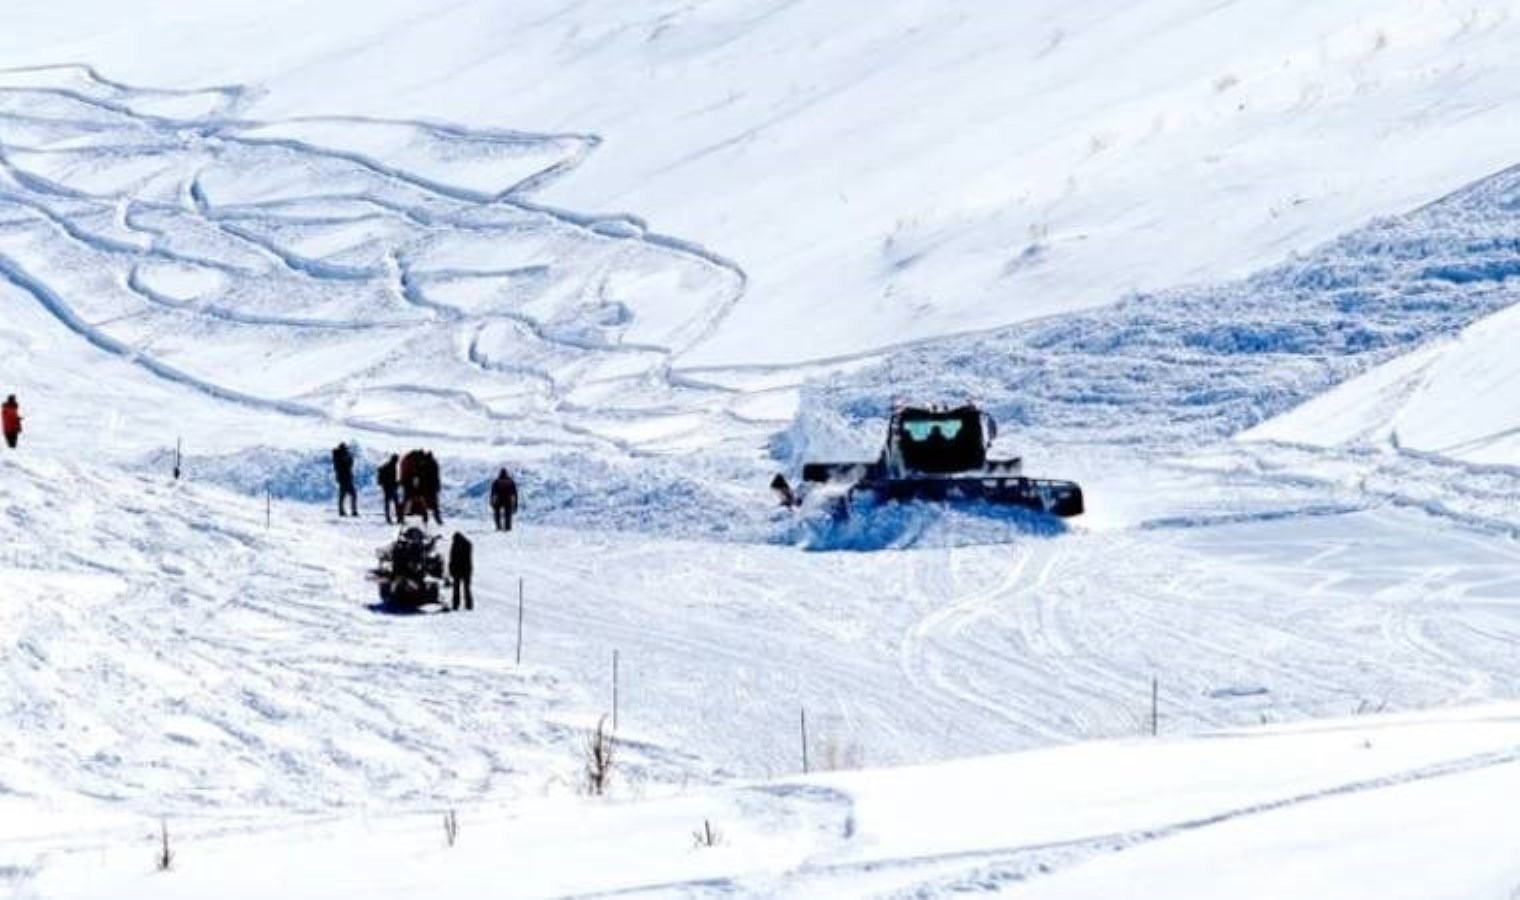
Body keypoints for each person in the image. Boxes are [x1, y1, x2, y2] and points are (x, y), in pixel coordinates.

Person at [448, 532, 474, 612]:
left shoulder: (455, 545)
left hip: (458, 570)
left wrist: (451, 570)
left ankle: (456, 604)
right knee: (467, 588)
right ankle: (469, 605)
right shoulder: (468, 545)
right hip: (467, 570)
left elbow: (452, 559)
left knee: (456, 589)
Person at [331, 442, 358, 517]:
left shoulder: (337, 457)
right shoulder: (340, 457)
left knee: (343, 495)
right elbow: (348, 465)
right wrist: (349, 458)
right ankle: (352, 511)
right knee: (351, 494)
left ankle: (343, 511)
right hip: (345, 478)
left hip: (344, 478)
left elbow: (349, 465)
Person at [421, 451, 443, 525]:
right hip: (433, 488)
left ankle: (425, 520)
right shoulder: (434, 464)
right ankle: (438, 520)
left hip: (426, 489)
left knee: (424, 505)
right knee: (435, 506)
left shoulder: (425, 465)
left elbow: (423, 476)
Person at [377, 454, 401, 524]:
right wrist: (396, 483)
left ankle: (389, 518)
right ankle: (396, 518)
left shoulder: (389, 466)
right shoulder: (391, 467)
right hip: (390, 488)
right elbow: (391, 479)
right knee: (394, 503)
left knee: (389, 503)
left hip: (388, 488)